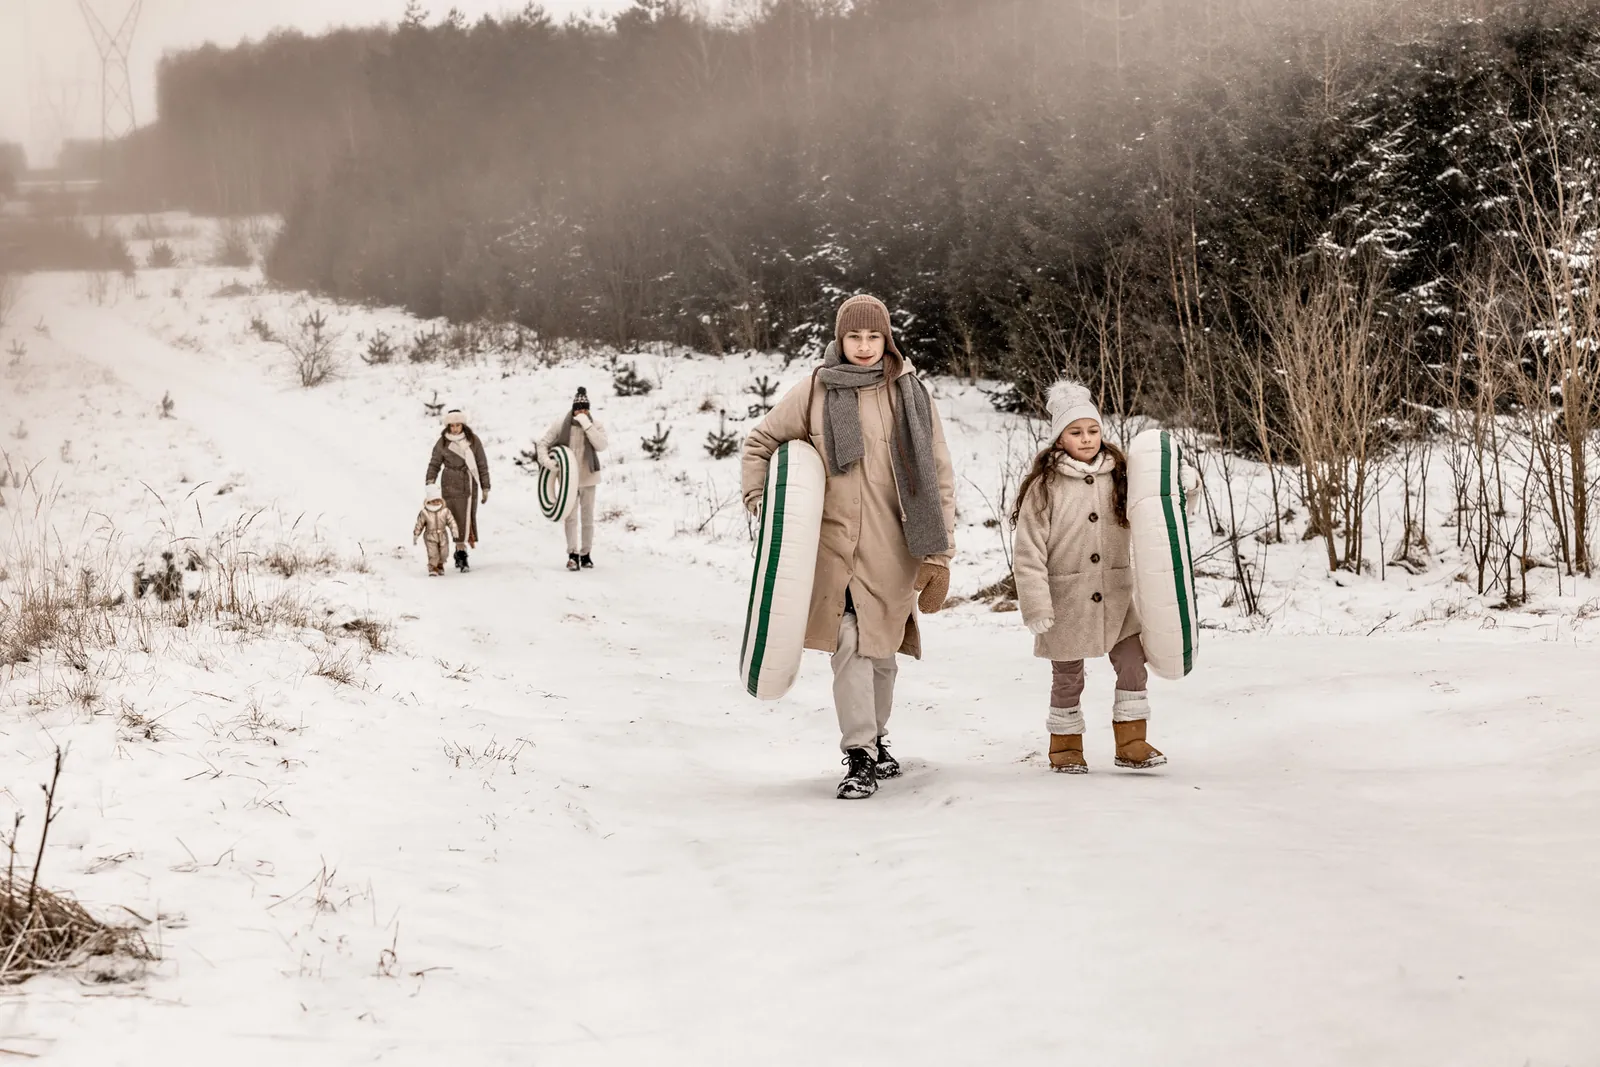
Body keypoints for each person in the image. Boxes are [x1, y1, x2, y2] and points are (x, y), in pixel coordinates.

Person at [742, 294, 957, 800]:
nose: (863, 347)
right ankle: (859, 753)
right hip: (831, 547)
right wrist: (761, 500)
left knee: (882, 653)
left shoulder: (910, 395)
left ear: (888, 339)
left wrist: (938, 555)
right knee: (851, 645)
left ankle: (879, 738)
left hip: (893, 549)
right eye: (854, 337)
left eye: (873, 337)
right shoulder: (816, 389)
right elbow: (761, 440)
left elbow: (939, 478)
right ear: (840, 340)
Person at [1010, 380, 1197, 773]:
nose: (1087, 438)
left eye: (1093, 430)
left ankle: (1131, 742)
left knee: (1132, 663)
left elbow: (1159, 508)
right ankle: (1065, 748)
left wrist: (1187, 487)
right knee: (1067, 678)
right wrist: (1036, 604)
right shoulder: (1045, 487)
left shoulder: (1121, 475)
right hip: (1065, 600)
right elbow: (1028, 552)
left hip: (1115, 596)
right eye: (1076, 432)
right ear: (1060, 438)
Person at [539, 386, 610, 571]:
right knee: (570, 518)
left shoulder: (596, 425)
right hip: (568, 481)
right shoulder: (561, 425)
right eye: (579, 408)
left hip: (589, 478)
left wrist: (587, 425)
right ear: (573, 408)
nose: (582, 412)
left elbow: (601, 445)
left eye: (585, 409)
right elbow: (543, 444)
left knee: (587, 519)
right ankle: (572, 554)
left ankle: (586, 554)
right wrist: (548, 463)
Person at [425, 407, 491, 572]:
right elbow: (434, 463)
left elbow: (482, 464)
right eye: (452, 425)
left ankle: (461, 552)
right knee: (452, 519)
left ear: (463, 425)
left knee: (465, 518)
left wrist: (485, 487)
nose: (454, 429)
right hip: (449, 484)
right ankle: (454, 552)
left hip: (468, 485)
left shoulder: (473, 441)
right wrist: (430, 481)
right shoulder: (443, 442)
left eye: (457, 425)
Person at [413, 484, 460, 576]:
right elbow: (419, 524)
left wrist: (454, 529)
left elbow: (451, 521)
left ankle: (440, 565)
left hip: (442, 535)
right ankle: (432, 567)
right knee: (433, 553)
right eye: (433, 501)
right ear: (429, 501)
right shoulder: (425, 512)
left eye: (438, 500)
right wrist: (416, 534)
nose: (436, 502)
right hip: (430, 536)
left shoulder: (445, 511)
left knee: (444, 553)